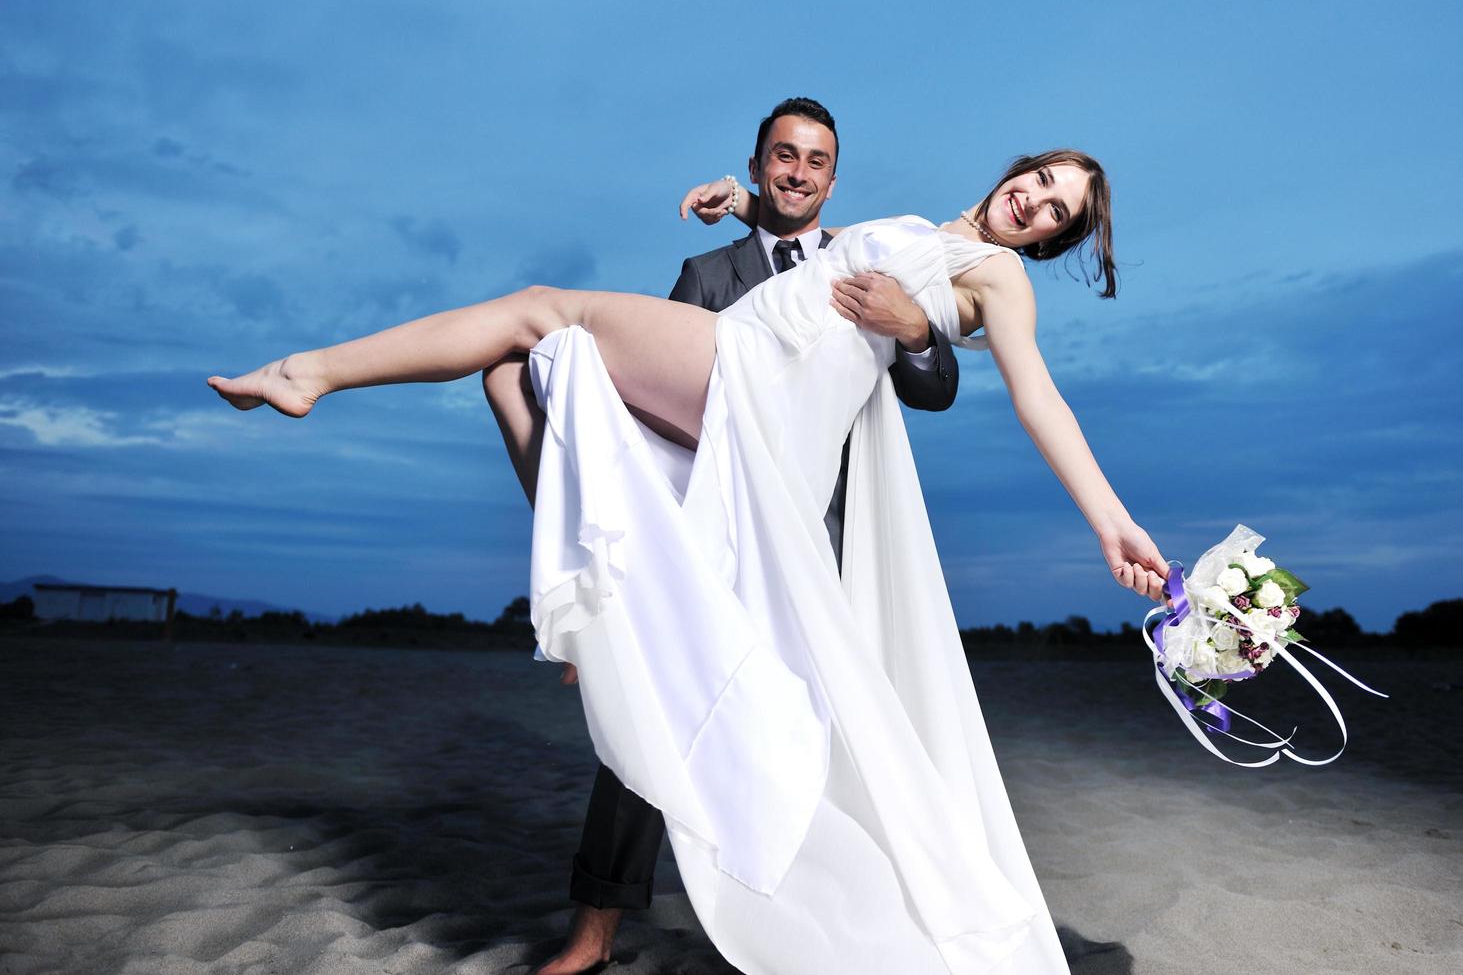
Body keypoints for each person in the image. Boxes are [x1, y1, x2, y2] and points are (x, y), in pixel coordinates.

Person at [207, 147, 1169, 973]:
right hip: (752, 365)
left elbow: (1039, 402)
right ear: (1017, 170)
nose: (1035, 205)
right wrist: (746, 205)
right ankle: (595, 587)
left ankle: (309, 374)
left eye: (1055, 214)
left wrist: (1111, 522)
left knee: (545, 309)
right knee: (513, 370)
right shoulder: (922, 223)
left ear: (1048, 239)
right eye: (1039, 182)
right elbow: (821, 257)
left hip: (767, 384)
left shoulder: (998, 276)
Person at [480, 97, 960, 975]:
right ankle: (591, 937)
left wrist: (916, 329)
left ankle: (828, 937)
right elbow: (642, 418)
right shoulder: (706, 273)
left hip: (822, 555)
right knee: (651, 726)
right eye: (784, 155)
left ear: (833, 178)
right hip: (708, 540)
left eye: (816, 160)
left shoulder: (872, 268)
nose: (798, 171)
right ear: (757, 163)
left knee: (834, 747)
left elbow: (934, 389)